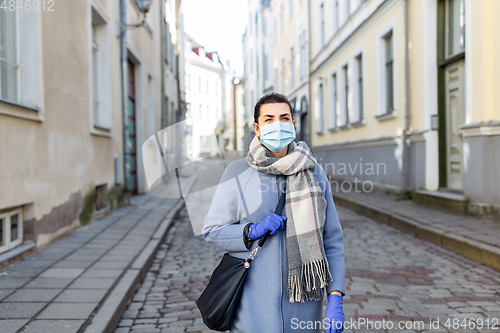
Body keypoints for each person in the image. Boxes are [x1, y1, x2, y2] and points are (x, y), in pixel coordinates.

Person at [202, 93, 345, 333]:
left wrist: (336, 297)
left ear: (293, 124)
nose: (277, 124)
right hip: (251, 308)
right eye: (269, 119)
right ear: (257, 128)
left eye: (284, 118)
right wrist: (250, 231)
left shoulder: (315, 172)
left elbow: (331, 239)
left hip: (304, 307)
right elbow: (212, 231)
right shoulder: (236, 172)